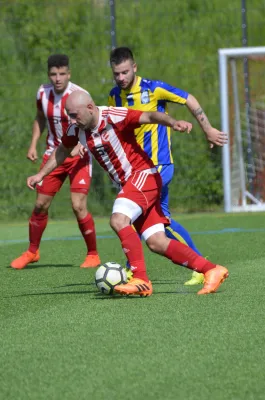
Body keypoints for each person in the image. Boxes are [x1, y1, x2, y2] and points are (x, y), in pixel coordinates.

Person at [27, 91, 229, 297]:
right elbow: (62, 150)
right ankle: (211, 269)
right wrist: (41, 174)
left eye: (74, 115)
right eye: (69, 115)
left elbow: (150, 116)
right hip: (131, 184)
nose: (72, 120)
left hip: (143, 175)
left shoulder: (114, 116)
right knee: (156, 242)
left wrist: (173, 122)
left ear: (89, 108)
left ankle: (140, 278)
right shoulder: (76, 129)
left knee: (118, 219)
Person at [108, 47, 227, 286]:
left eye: (124, 72)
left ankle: (200, 267)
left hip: (158, 166)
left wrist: (208, 129)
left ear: (134, 68)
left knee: (146, 219)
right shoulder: (114, 96)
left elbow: (189, 99)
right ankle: (201, 267)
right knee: (157, 221)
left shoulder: (153, 88)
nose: (121, 78)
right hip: (135, 170)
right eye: (116, 74)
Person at [10, 54, 100, 270]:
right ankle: (32, 251)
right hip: (54, 155)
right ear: (48, 75)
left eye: (62, 73)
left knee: (78, 206)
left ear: (69, 73)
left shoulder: (80, 95)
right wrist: (33, 143)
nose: (57, 78)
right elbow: (40, 117)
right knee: (40, 204)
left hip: (79, 157)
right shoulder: (42, 93)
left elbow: (93, 121)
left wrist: (82, 144)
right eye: (53, 74)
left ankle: (93, 254)